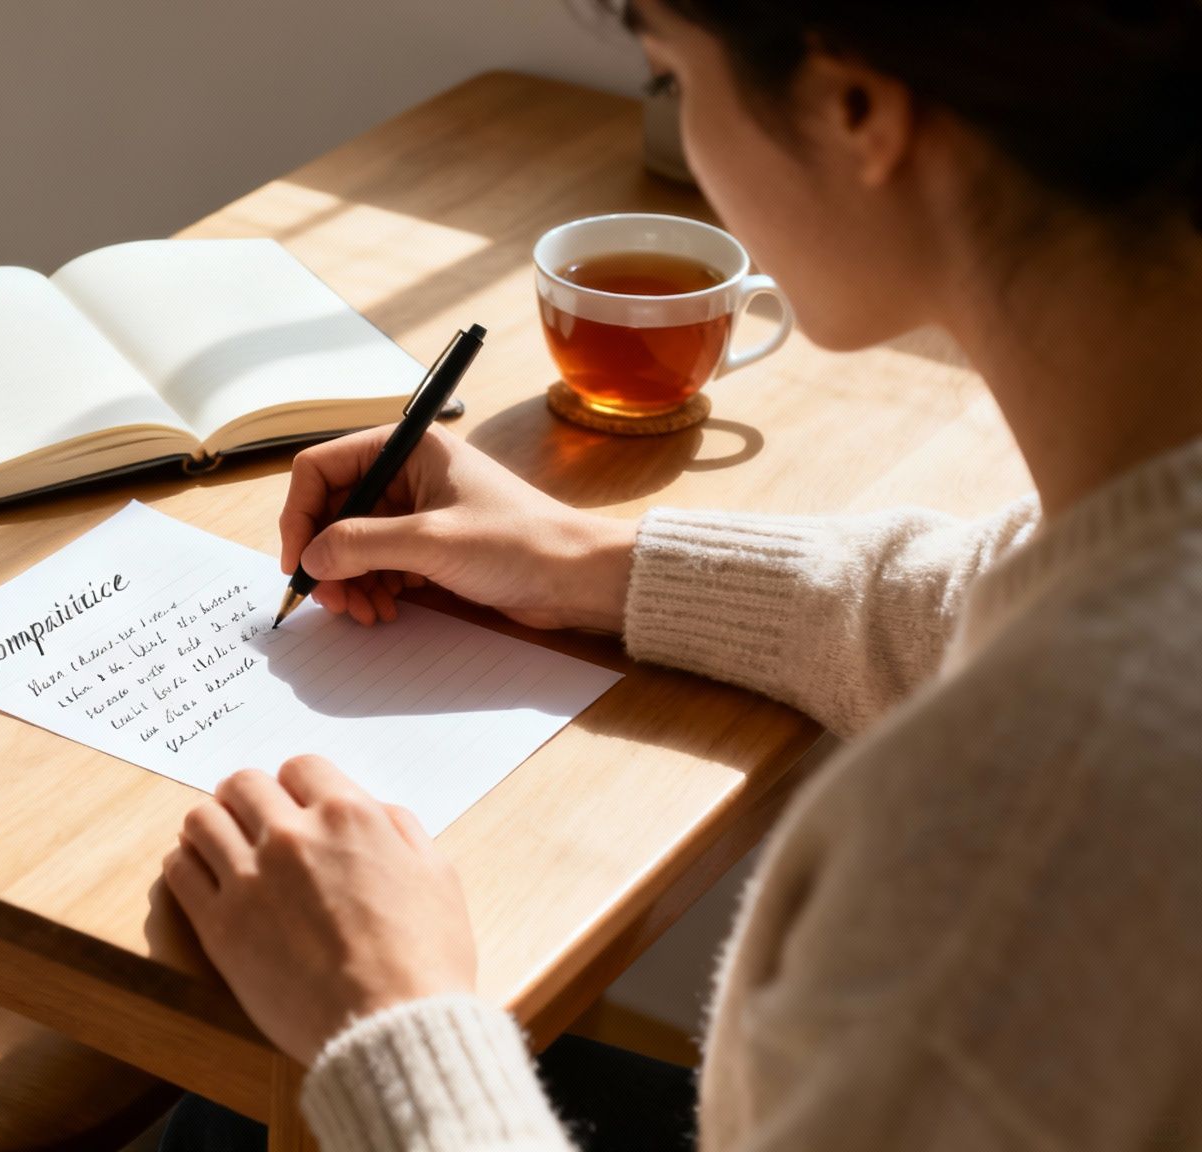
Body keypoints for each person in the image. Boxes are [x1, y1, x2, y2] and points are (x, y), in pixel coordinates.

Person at [159, 1, 1202, 1149]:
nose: (680, 137)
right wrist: (582, 558)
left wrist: (391, 1019)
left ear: (853, 108)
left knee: (231, 1114)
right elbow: (1020, 593)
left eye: (671, 75)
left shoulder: (1005, 854)